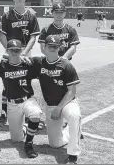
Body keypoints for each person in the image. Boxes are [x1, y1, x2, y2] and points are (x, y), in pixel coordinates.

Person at [32, 35, 82, 164]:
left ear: (59, 48)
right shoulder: (39, 63)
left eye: (55, 46)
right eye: (50, 46)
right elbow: (21, 62)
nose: (53, 48)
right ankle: (72, 130)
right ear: (45, 47)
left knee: (74, 115)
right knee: (55, 144)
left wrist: (59, 109)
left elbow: (72, 91)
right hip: (50, 105)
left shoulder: (66, 65)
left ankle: (73, 155)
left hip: (67, 103)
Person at [0, 39, 43, 158]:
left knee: (35, 113)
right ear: (7, 50)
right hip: (12, 104)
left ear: (21, 51)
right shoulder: (2, 65)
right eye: (11, 50)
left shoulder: (28, 64)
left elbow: (44, 59)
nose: (14, 52)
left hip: (27, 100)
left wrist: (26, 57)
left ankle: (29, 144)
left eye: (17, 50)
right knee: (16, 139)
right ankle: (26, 128)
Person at [0, 0, 40, 126]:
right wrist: (10, 51)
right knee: (7, 81)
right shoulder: (7, 15)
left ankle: (29, 113)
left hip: (25, 50)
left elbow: (33, 37)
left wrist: (24, 53)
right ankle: (4, 113)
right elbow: (2, 36)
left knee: (26, 81)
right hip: (10, 50)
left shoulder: (31, 16)